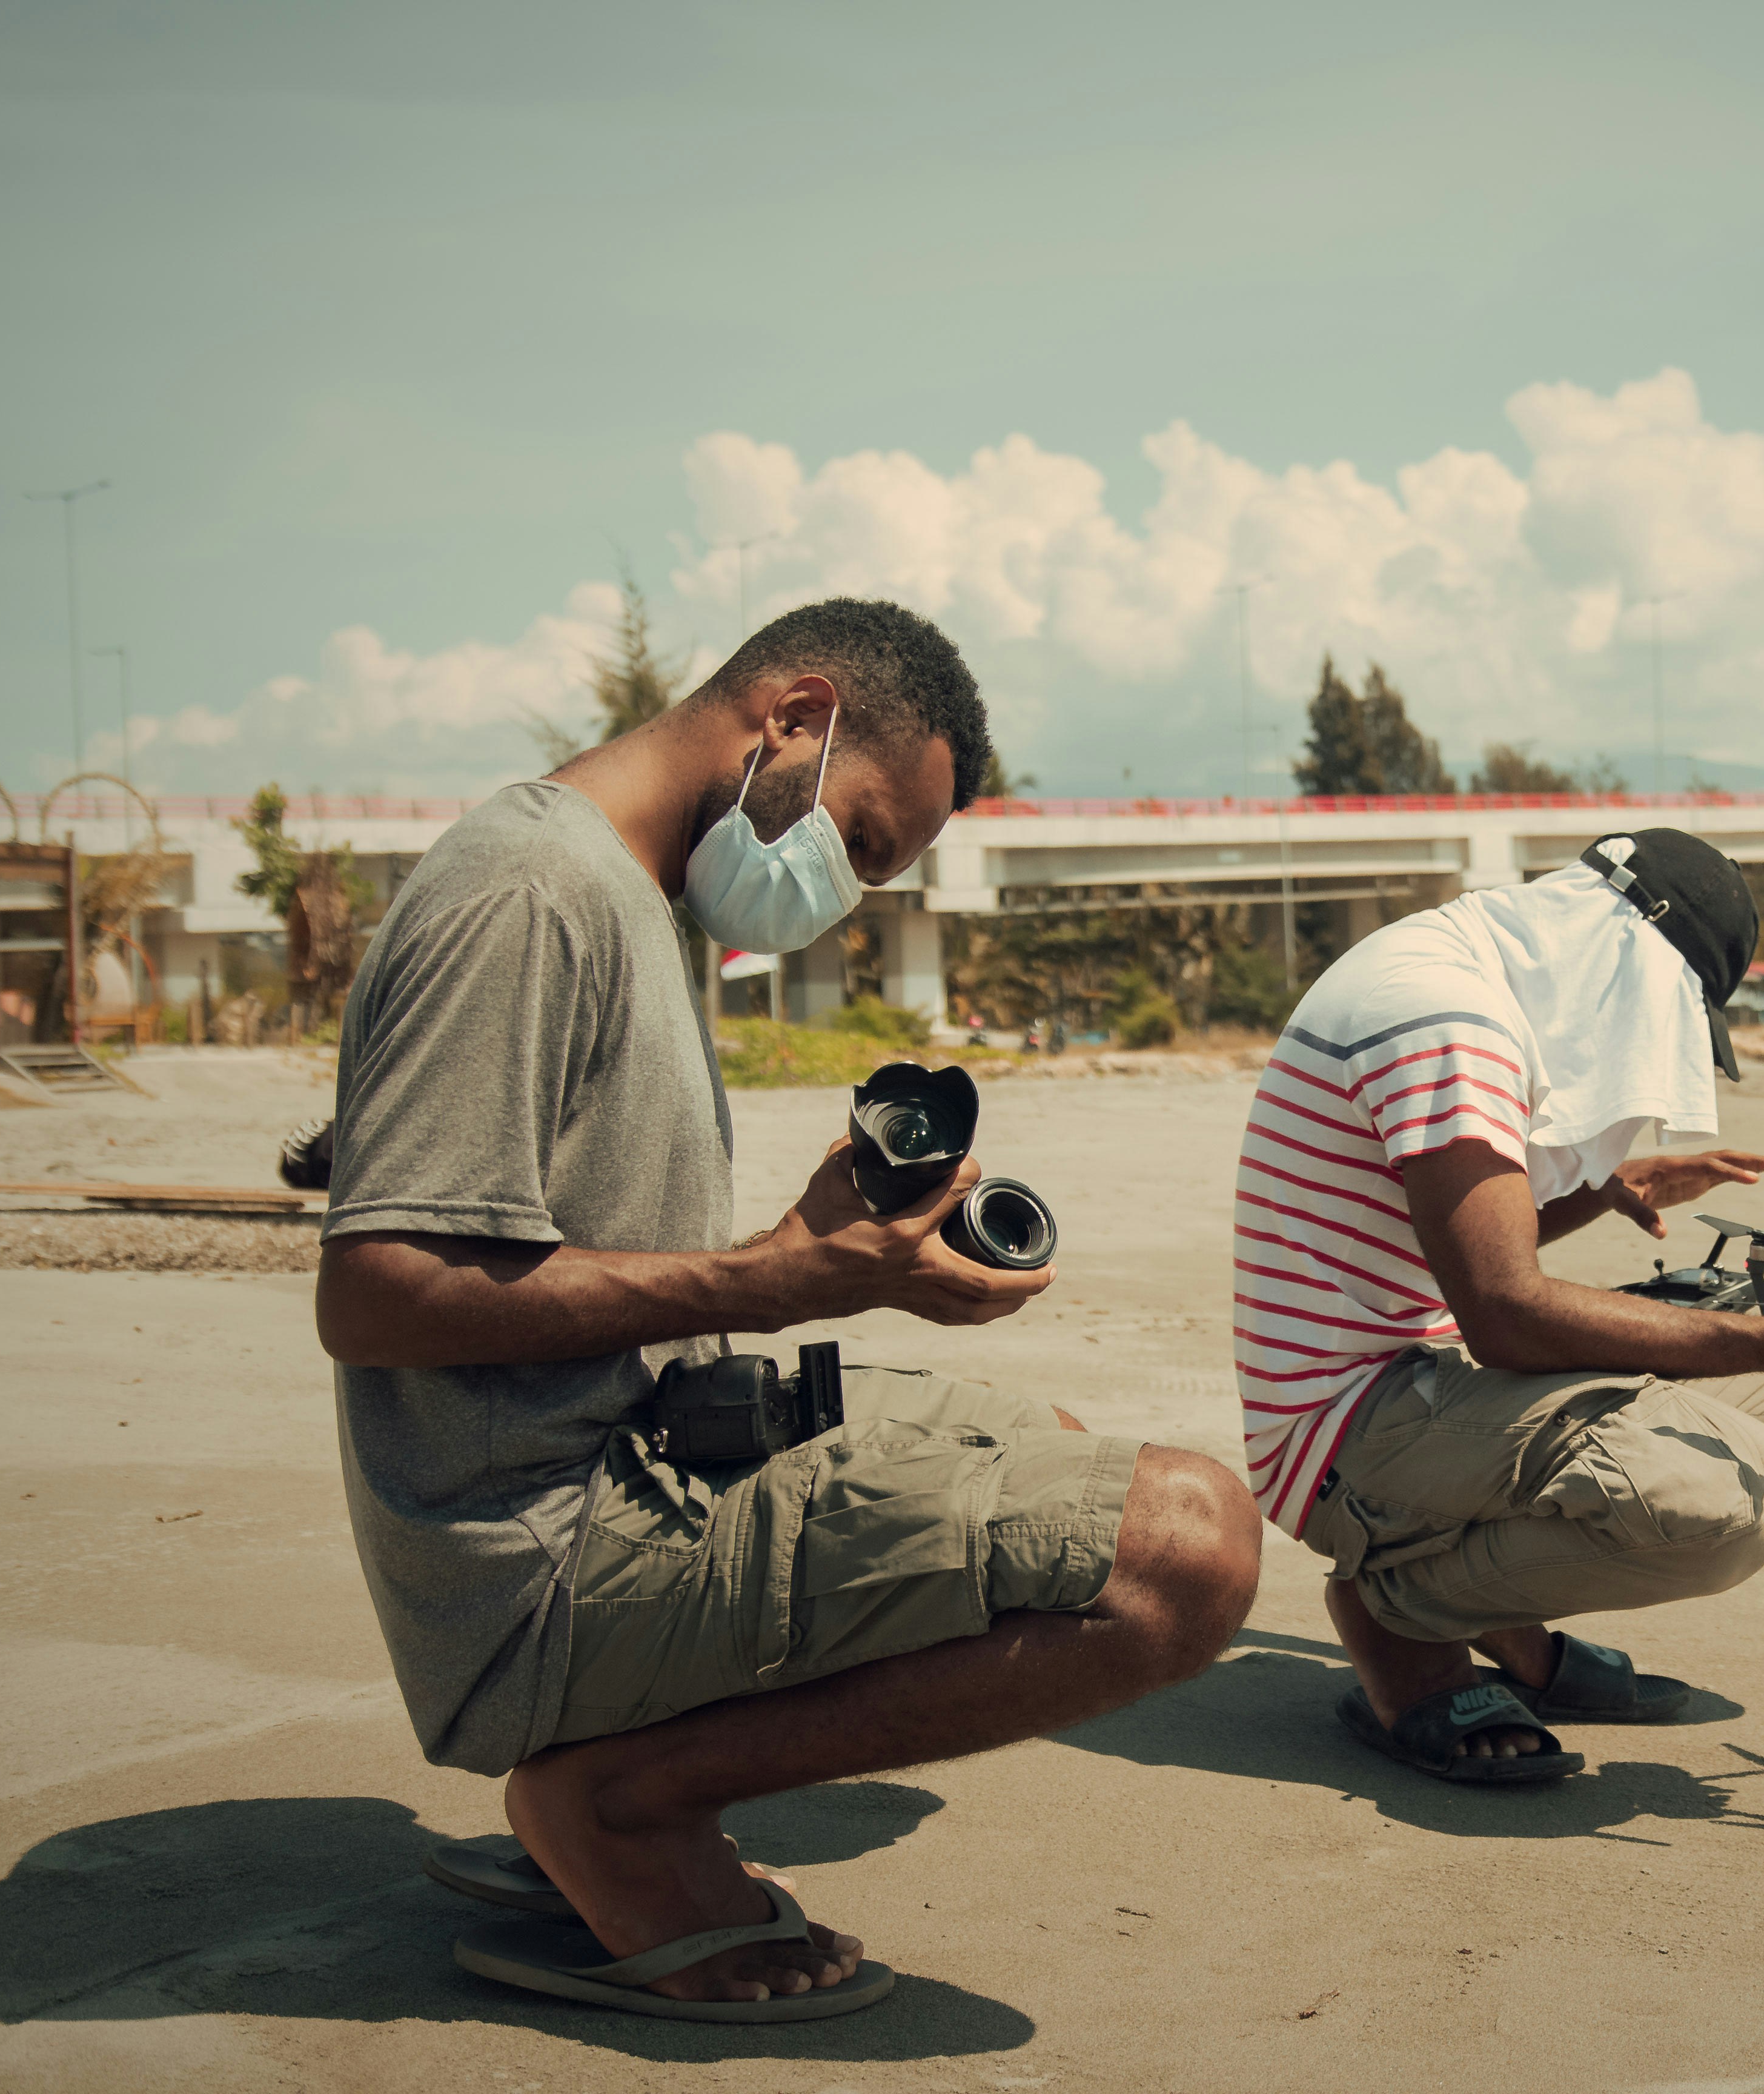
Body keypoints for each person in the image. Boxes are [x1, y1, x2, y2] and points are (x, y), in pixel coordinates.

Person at [314, 600, 1260, 2021]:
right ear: (796, 719)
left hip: (642, 1453)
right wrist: (770, 1281)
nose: (848, 886)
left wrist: (848, 1261)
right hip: (544, 1558)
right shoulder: (530, 892)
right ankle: (617, 1798)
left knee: (1054, 1453)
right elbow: (376, 1290)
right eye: (862, 839)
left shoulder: (634, 892)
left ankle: (627, 1773)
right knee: (1179, 1552)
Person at [1230, 829, 1764, 1783]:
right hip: (1341, 1432)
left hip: (1427, 1379)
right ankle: (1402, 1618)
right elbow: (1504, 1310)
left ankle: (1488, 1601)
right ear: (1631, 961)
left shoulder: (1460, 965)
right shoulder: (1447, 1021)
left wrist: (1612, 1184)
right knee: (1725, 1501)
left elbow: (1448, 1245)